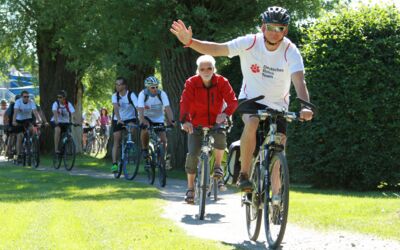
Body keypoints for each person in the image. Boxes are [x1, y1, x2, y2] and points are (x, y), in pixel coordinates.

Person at [171, 6, 314, 197]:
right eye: (270, 27)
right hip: (251, 98)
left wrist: (305, 105)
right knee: (253, 121)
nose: (274, 32)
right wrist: (190, 41)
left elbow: (299, 80)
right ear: (263, 27)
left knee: (279, 146)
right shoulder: (250, 42)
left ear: (285, 31)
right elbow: (218, 49)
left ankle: (278, 198)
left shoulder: (291, 50)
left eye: (280, 28)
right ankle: (244, 174)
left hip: (279, 104)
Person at [180, 55, 238, 204]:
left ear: (214, 69)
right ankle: (190, 189)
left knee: (220, 137)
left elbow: (233, 101)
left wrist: (225, 114)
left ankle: (218, 166)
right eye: (202, 69)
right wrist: (185, 120)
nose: (206, 71)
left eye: (209, 68)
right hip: (196, 123)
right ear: (198, 70)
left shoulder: (222, 82)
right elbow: (185, 102)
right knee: (193, 154)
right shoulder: (191, 82)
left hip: (215, 122)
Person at [137, 76, 175, 159]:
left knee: (164, 140)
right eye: (153, 87)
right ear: (147, 87)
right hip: (146, 116)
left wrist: (172, 120)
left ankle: (161, 161)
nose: (155, 89)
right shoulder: (143, 94)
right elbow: (140, 108)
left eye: (157, 87)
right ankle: (145, 149)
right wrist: (142, 121)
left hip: (158, 118)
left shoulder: (162, 94)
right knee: (145, 129)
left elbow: (167, 107)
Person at [111, 76, 138, 173]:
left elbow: (138, 106)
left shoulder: (131, 95)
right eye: (116, 84)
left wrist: (141, 117)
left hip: (130, 118)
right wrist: (118, 119)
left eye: (119, 84)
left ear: (125, 86)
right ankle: (114, 164)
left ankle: (128, 143)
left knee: (132, 130)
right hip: (118, 119)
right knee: (116, 141)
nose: (117, 86)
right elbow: (116, 108)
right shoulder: (115, 95)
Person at [12, 91, 42, 160]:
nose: (26, 98)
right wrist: (14, 121)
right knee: (20, 136)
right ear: (22, 97)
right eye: (25, 97)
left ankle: (31, 145)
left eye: (28, 96)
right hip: (19, 120)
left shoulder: (31, 102)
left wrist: (39, 120)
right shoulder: (18, 102)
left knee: (32, 130)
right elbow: (15, 112)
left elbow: (35, 111)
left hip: (28, 120)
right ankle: (19, 154)